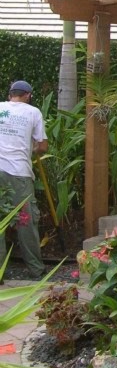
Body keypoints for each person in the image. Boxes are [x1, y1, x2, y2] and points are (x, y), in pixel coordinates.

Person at [0, 80, 47, 280]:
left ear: (11, 94)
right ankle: (36, 269)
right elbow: (43, 146)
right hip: (18, 172)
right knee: (25, 221)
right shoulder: (33, 111)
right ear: (28, 95)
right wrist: (31, 149)